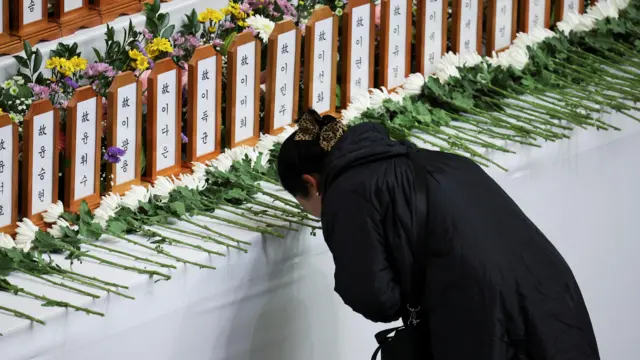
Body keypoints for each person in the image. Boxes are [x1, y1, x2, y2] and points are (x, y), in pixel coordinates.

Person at [276, 109, 600, 359]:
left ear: (311, 183)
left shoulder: (346, 193)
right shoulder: (426, 159)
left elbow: (377, 299)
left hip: (483, 316)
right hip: (550, 292)